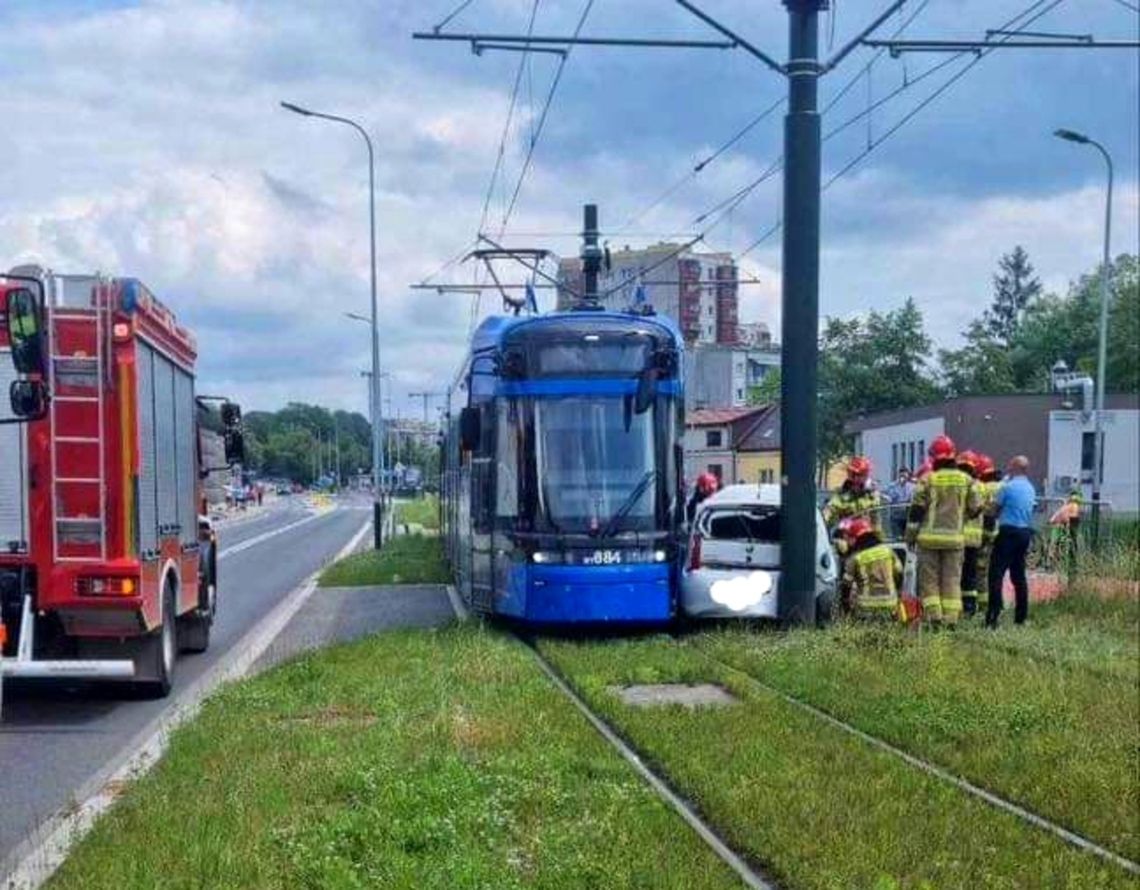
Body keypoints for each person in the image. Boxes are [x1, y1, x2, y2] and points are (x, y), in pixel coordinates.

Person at [906, 435, 982, 626]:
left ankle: (934, 618)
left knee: (929, 581)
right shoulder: (967, 480)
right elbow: (976, 508)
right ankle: (951, 620)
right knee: (952, 580)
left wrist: (910, 537)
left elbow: (916, 512)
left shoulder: (927, 479)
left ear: (934, 457)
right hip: (955, 541)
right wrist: (960, 517)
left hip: (928, 540)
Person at [986, 455, 1037, 628]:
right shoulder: (1031, 488)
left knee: (996, 574)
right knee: (1018, 576)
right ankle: (1021, 618)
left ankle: (993, 617)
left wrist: (990, 506)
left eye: (1010, 465)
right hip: (1024, 533)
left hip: (1008, 532)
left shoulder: (1008, 487)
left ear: (1015, 468)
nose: (1007, 468)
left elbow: (994, 511)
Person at [841, 516, 903, 619]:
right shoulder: (888, 551)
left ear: (856, 537)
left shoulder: (855, 558)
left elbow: (846, 586)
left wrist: (846, 608)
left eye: (850, 538)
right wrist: (897, 594)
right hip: (890, 605)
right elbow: (899, 573)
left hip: (866, 609)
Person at [956, 450, 983, 617]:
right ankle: (970, 608)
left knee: (956, 575)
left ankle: (957, 607)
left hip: (958, 537)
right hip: (974, 540)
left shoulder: (959, 484)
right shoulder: (980, 486)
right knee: (970, 575)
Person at [973, 454, 1000, 616]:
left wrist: (985, 537)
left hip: (987, 536)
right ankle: (997, 603)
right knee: (996, 571)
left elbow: (987, 515)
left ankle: (983, 605)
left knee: (981, 571)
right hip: (1004, 536)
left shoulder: (984, 488)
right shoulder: (1003, 486)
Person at [1048, 488, 1083, 579]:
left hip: (1059, 526)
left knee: (1055, 545)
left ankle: (1052, 563)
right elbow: (1071, 519)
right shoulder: (1074, 506)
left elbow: (1054, 518)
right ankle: (1056, 563)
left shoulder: (1066, 506)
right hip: (1062, 526)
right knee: (1060, 546)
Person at [885, 469, 915, 540]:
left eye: (905, 475)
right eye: (901, 475)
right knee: (896, 538)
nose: (903, 477)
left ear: (908, 476)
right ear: (899, 475)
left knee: (907, 538)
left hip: (907, 517)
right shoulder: (892, 486)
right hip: (895, 517)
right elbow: (886, 496)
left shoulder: (912, 487)